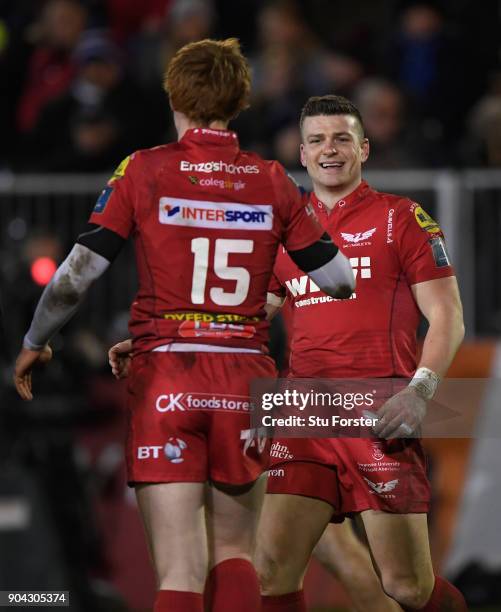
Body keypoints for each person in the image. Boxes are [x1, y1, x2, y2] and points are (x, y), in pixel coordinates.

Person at [13, 41, 355, 612]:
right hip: (245, 380)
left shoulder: (144, 169)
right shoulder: (272, 180)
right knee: (235, 555)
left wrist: (35, 341)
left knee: (178, 568)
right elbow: (340, 280)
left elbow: (76, 275)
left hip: (169, 371)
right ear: (240, 101)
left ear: (174, 95)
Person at [256, 95, 467, 612]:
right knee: (271, 573)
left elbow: (447, 317)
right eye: (317, 140)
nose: (330, 150)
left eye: (342, 138)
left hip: (378, 414)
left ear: (364, 149)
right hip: (303, 415)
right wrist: (167, 336)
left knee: (407, 587)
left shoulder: (401, 218)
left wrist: (420, 394)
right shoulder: (282, 231)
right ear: (301, 155)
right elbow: (248, 312)